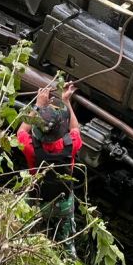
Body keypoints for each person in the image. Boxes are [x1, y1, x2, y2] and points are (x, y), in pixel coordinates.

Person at [17, 83, 82, 255]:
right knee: (68, 241)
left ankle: (27, 250)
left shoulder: (31, 147)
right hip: (64, 203)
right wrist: (66, 101)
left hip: (38, 202)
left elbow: (22, 130)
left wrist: (38, 106)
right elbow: (75, 128)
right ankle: (70, 257)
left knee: (23, 232)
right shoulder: (71, 143)